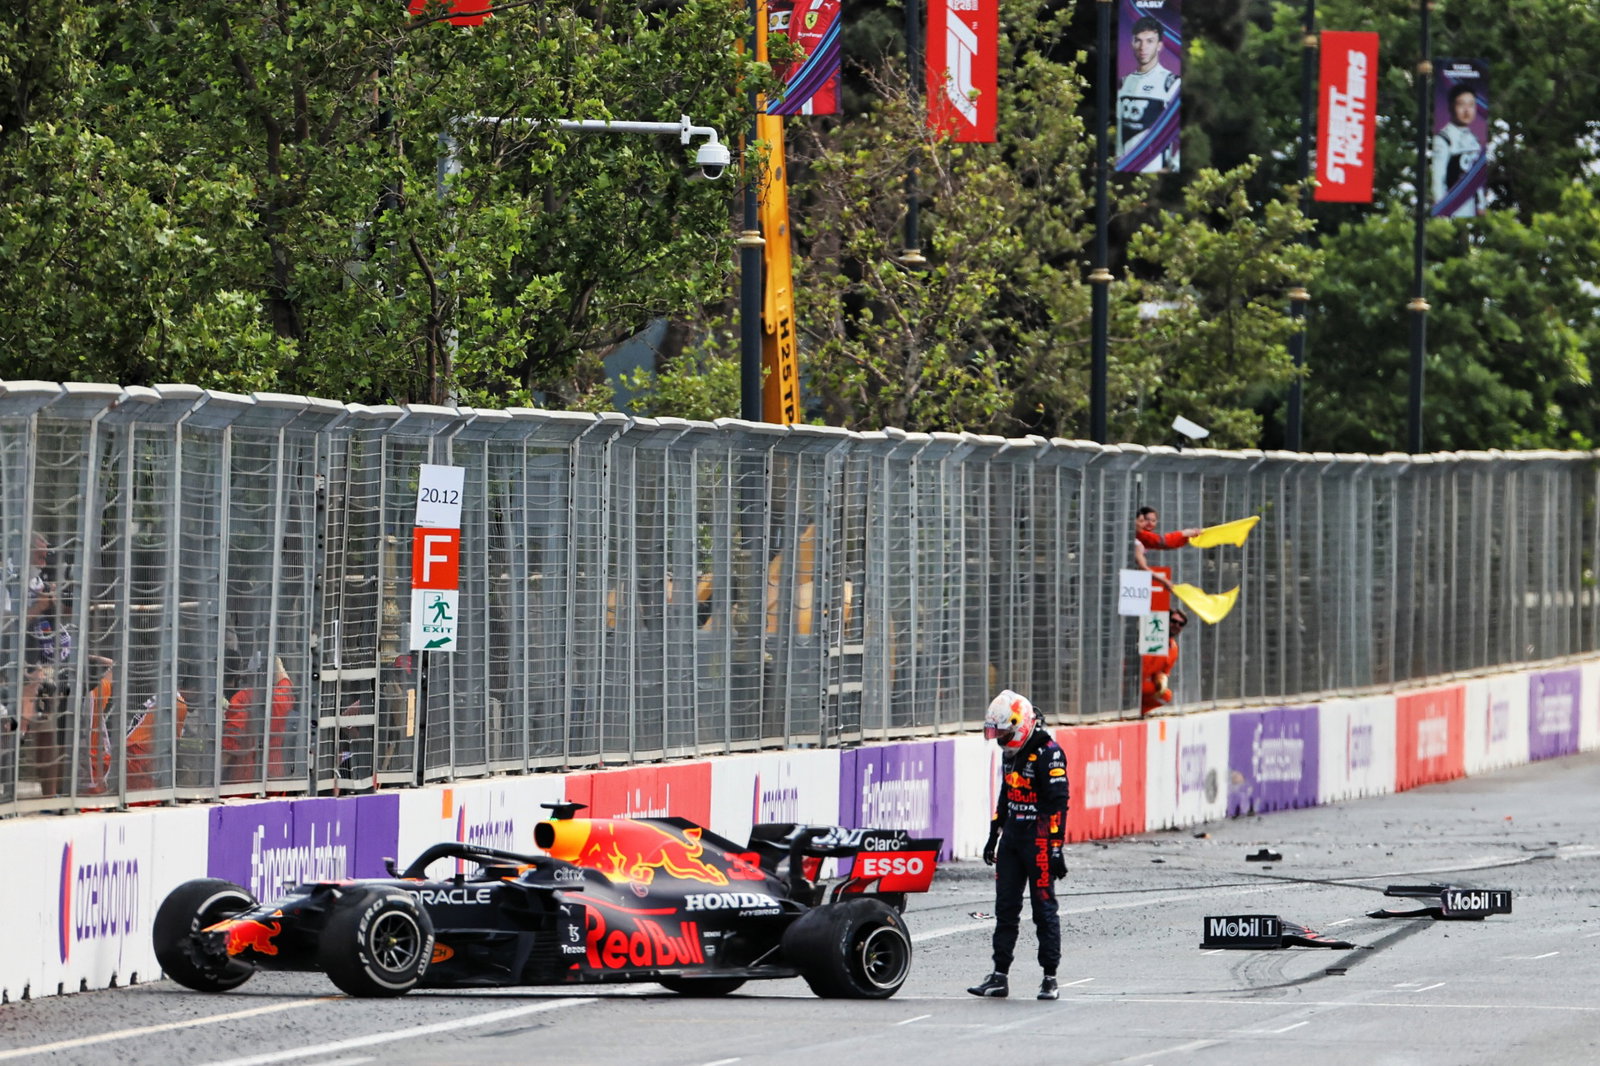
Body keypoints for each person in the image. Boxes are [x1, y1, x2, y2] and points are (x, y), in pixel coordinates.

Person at [968, 690, 1069, 1001]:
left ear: (1020, 725)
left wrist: (1055, 848)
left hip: (1038, 841)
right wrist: (993, 833)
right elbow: (1005, 794)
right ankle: (999, 976)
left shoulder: (1048, 752)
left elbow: (1058, 804)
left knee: (1044, 910)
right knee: (1005, 909)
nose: (999, 738)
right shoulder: (1009, 754)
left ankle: (1049, 977)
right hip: (1012, 838)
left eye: (1003, 732)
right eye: (996, 732)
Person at [1116, 15, 1181, 172]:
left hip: (1155, 174)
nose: (1143, 47)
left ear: (1159, 45)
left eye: (1149, 41)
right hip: (1125, 172)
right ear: (1132, 43)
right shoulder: (1123, 83)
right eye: (1138, 40)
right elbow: (1118, 130)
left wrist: (1174, 166)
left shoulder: (1172, 83)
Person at [1430, 83, 1486, 218]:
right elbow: (1438, 180)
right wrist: (1441, 212)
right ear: (1452, 107)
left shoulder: (1474, 140)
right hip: (1452, 209)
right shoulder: (1444, 139)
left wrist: (1481, 205)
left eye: (1471, 105)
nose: (1467, 110)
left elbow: (1476, 180)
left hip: (1471, 209)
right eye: (1461, 104)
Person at [1132, 506, 1201, 592]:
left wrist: (1187, 537)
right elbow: (1163, 541)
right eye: (1143, 520)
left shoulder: (1139, 537)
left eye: (1153, 520)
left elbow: (1166, 544)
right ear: (1133, 522)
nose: (1147, 524)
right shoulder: (1139, 538)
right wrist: (1184, 534)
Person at [1140, 608, 1188, 715]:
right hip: (1132, 682)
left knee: (1166, 695)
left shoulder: (1173, 648)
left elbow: (1163, 673)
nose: (1176, 625)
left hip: (1147, 685)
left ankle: (1140, 712)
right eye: (1173, 621)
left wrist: (1161, 681)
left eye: (1181, 624)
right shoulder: (1149, 636)